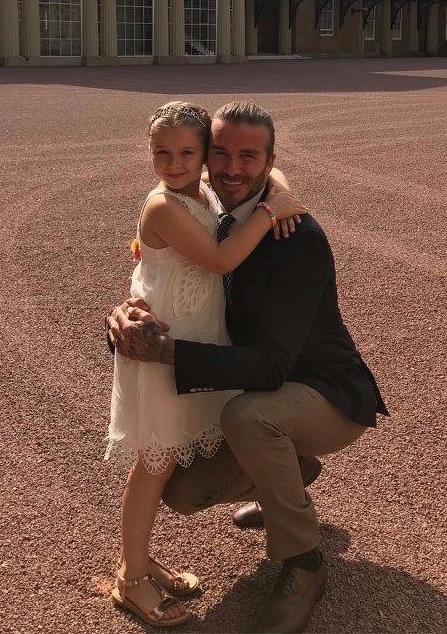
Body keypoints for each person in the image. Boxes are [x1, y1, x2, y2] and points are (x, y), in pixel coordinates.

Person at [108, 101, 388, 634]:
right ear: (208, 158)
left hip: (321, 391)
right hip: (253, 383)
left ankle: (304, 562)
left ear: (268, 161)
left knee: (250, 419)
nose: (234, 168)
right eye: (222, 154)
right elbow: (165, 286)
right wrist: (122, 318)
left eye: (249, 158)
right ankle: (287, 478)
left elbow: (270, 362)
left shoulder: (295, 238)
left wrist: (167, 353)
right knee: (182, 491)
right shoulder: (207, 205)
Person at [106, 101, 306, 629]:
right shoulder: (163, 207)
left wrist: (280, 189)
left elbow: (273, 169)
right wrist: (270, 210)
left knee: (169, 461)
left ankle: (142, 560)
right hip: (164, 350)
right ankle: (130, 577)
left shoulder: (203, 192)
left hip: (195, 346)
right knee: (154, 464)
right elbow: (221, 260)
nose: (172, 163)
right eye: (161, 153)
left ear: (204, 157)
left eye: (186, 153)